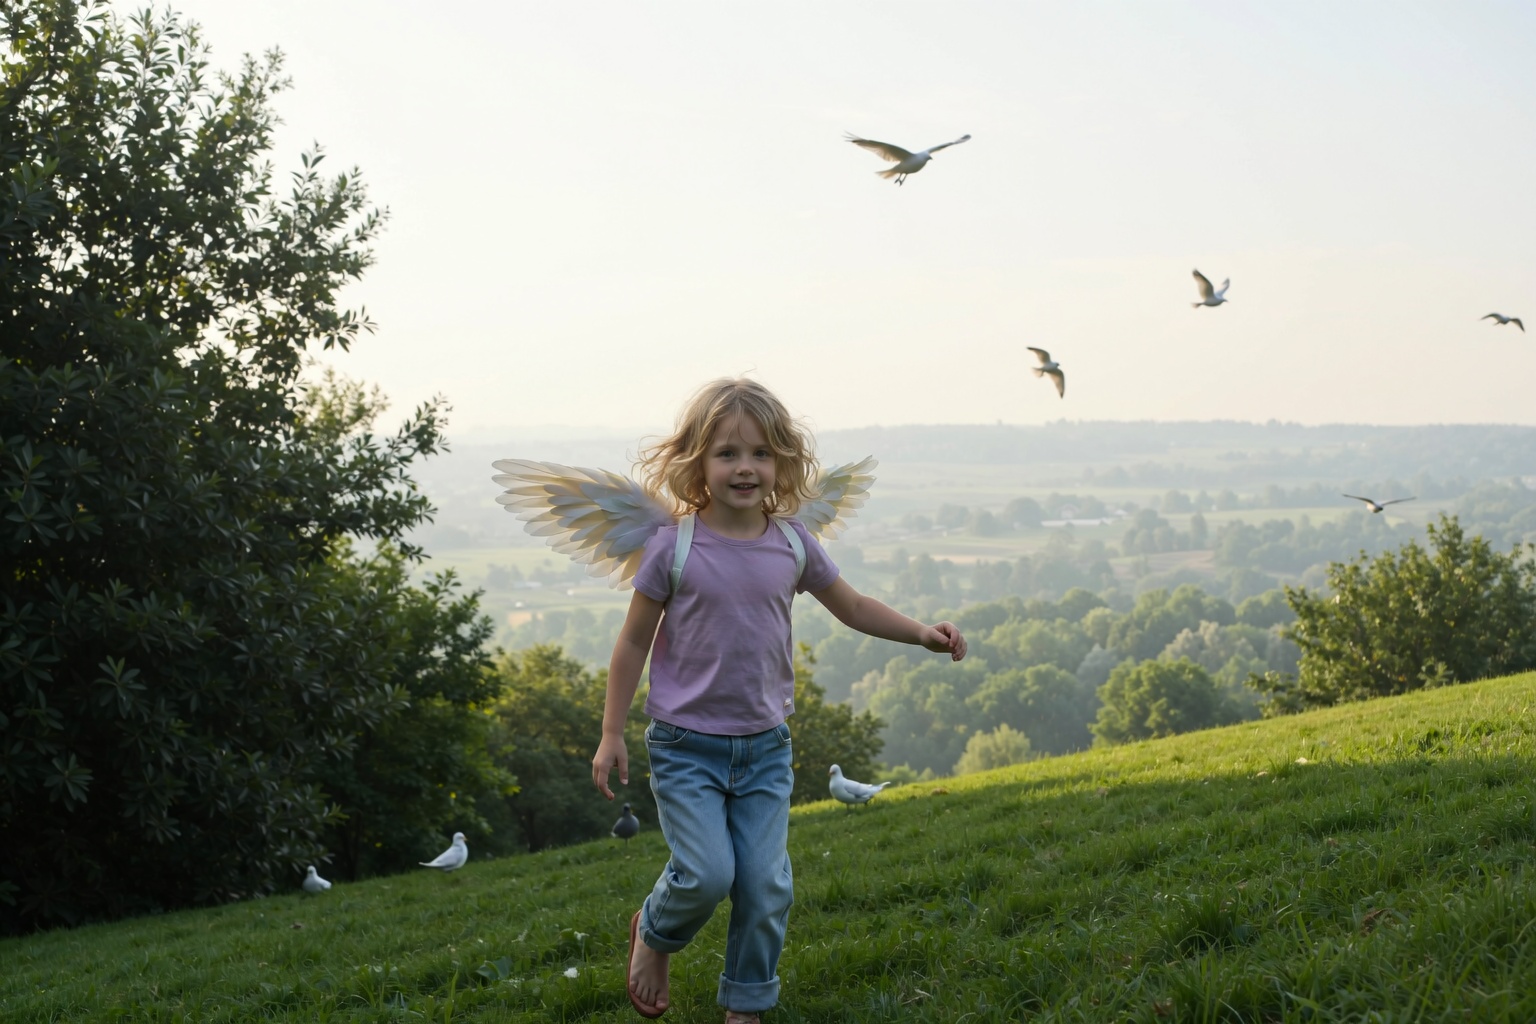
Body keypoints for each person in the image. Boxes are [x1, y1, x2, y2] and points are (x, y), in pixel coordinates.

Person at [591, 377, 967, 1023]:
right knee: (706, 876)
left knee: (766, 884)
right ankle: (653, 933)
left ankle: (746, 1004)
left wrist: (922, 634)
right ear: (698, 462)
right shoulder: (673, 547)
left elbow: (853, 606)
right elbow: (631, 643)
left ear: (782, 461)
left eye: (761, 453)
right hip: (686, 747)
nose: (745, 467)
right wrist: (611, 732)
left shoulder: (792, 542)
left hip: (766, 748)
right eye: (728, 453)